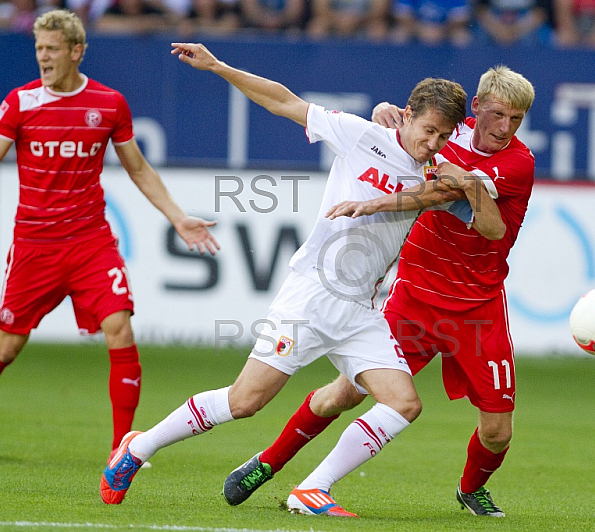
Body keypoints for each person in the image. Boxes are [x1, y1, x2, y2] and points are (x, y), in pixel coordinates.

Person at [99, 41, 467, 517]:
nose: (433, 143)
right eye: (428, 130)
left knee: (403, 404)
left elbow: (481, 207)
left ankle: (313, 488)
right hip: (312, 294)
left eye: (443, 135)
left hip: (360, 309)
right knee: (245, 401)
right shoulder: (360, 135)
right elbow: (283, 100)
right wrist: (218, 66)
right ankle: (138, 448)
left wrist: (461, 180)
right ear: (409, 114)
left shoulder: (438, 170)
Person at [222, 65, 536, 518]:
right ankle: (268, 463)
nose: (505, 129)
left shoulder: (517, 163)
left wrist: (378, 201)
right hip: (415, 292)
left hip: (479, 304)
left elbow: (440, 197)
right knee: (342, 394)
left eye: (517, 120)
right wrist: (387, 116)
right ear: (477, 109)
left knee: (498, 432)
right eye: (499, 115)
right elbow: (404, 137)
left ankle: (471, 489)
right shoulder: (445, 134)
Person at [0, 10, 219, 460]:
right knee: (8, 344)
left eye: (52, 49)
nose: (43, 57)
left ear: (76, 51)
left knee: (119, 327)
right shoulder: (19, 103)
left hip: (91, 241)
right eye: (39, 48)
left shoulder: (109, 103)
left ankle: (123, 449)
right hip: (35, 246)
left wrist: (176, 216)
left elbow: (138, 167)